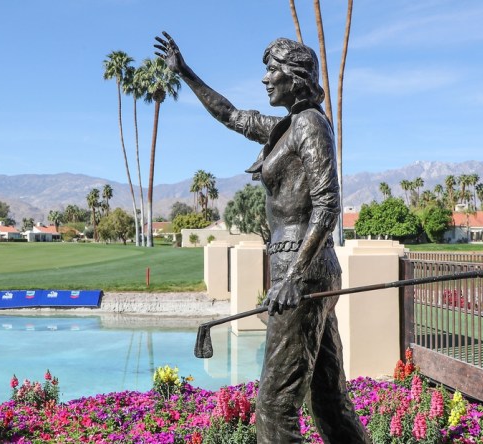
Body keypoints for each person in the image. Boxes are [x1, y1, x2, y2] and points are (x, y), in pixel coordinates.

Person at [155, 32, 369, 444]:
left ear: (295, 77)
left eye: (272, 70)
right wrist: (185, 72)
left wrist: (292, 278)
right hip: (304, 268)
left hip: (302, 269)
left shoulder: (310, 126)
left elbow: (327, 206)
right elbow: (232, 115)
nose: (265, 79)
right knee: (328, 398)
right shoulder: (287, 126)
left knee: (274, 409)